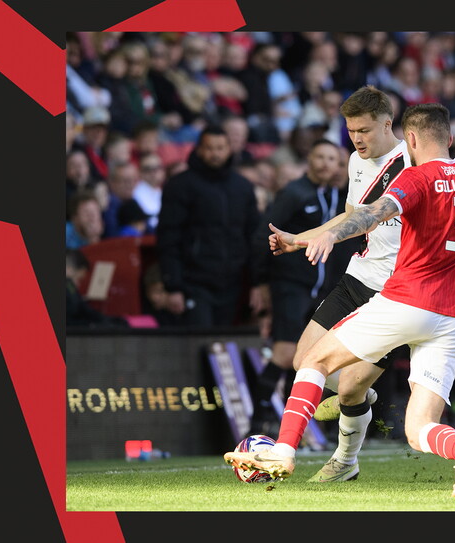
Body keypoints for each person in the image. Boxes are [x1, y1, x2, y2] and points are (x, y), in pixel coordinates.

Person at [225, 102, 455, 498]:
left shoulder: (416, 177)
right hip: (454, 317)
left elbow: (372, 214)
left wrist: (329, 236)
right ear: (450, 139)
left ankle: (284, 452)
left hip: (404, 301)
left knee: (315, 360)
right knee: (419, 429)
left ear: (410, 138)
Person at [253, 86, 412, 483]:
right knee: (302, 361)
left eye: (364, 130)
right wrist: (300, 239)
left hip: (395, 293)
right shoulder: (357, 163)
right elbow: (349, 217)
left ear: (387, 124)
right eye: (350, 130)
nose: (356, 139)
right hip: (358, 276)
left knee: (348, 390)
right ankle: (339, 447)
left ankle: (344, 461)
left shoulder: (412, 164)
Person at [248, 138, 346, 430]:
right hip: (290, 285)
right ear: (310, 160)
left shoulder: (335, 196)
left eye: (333, 159)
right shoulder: (294, 192)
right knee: (285, 353)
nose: (326, 164)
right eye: (321, 157)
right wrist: (261, 282)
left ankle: (294, 429)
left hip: (319, 290)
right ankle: (258, 420)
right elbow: (263, 236)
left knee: (307, 357)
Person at [156, 125, 263, 327]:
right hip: (193, 282)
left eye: (220, 148)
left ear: (229, 149)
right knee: (200, 344)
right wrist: (173, 286)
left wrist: (257, 282)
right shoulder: (180, 185)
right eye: (209, 148)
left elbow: (253, 237)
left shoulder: (243, 187)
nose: (215, 154)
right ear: (199, 149)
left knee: (223, 347)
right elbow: (168, 238)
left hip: (232, 283)